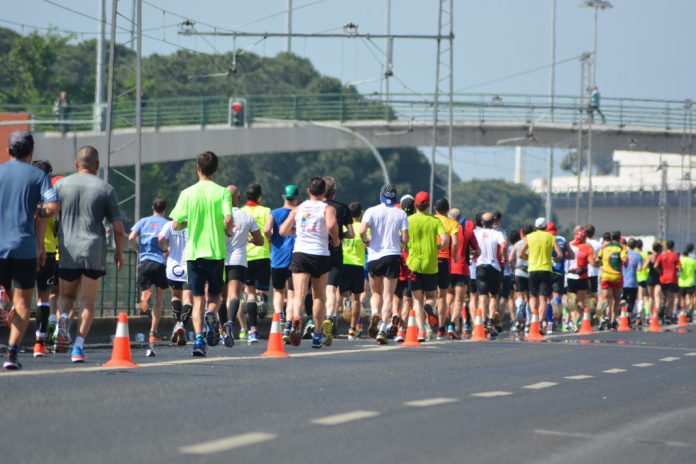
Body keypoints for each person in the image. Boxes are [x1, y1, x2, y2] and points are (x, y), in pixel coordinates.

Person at [54, 146, 125, 363]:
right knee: (88, 302)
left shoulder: (60, 185)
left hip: (67, 248)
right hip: (93, 249)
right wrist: (119, 253)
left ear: (77, 164)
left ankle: (63, 319)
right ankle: (78, 346)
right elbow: (119, 229)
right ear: (97, 165)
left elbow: (49, 214)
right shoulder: (106, 189)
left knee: (66, 296)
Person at [0, 131, 59, 369]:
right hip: (24, 246)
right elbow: (52, 206)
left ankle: (1, 297)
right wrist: (38, 213)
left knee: (4, 290)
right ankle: (11, 354)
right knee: (23, 302)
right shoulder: (39, 176)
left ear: (8, 150)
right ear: (31, 152)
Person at [170, 151, 234, 357]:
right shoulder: (223, 192)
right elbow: (228, 219)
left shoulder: (187, 193)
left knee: (197, 298)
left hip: (194, 253)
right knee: (214, 295)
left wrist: (189, 222)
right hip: (216, 252)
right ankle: (211, 314)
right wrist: (227, 230)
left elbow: (175, 224)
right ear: (215, 170)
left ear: (198, 168)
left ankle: (198, 340)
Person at [280, 177, 340, 349]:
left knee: (298, 294)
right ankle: (317, 334)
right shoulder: (327, 208)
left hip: (300, 253)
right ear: (324, 193)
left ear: (308, 191)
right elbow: (331, 225)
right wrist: (335, 240)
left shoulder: (299, 208)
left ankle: (296, 318)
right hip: (320, 254)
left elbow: (283, 230)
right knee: (319, 296)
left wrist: (297, 229)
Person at [361, 184, 409, 344]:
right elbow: (406, 239)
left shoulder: (371, 211)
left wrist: (366, 241)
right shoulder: (401, 213)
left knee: (376, 293)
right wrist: (400, 241)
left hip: (374, 256)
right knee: (388, 295)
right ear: (395, 197)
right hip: (393, 256)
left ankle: (375, 313)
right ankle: (382, 329)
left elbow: (362, 231)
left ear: (381, 195)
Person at [224, 185, 264, 345]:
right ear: (238, 199)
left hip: (219, 259)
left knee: (219, 297)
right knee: (234, 295)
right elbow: (260, 241)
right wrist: (249, 239)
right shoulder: (247, 217)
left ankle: (220, 331)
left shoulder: (217, 216)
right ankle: (230, 324)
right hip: (238, 260)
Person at [406, 192, 447, 342]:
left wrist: (406, 247)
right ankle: (429, 307)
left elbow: (402, 240)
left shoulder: (408, 220)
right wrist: (437, 246)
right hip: (430, 265)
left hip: (413, 264)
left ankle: (421, 331)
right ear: (429, 205)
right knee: (430, 297)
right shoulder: (434, 221)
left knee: (416, 300)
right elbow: (446, 240)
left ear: (415, 204)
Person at [30, 160, 60, 357]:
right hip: (48, 251)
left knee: (19, 297)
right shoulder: (50, 196)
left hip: (18, 249)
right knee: (44, 297)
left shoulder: (22, 191)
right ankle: (39, 343)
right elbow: (57, 225)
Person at [129, 196, 169, 345]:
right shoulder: (167, 224)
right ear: (164, 209)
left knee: (147, 289)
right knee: (159, 297)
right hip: (160, 263)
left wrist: (138, 250)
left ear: (153, 207)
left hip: (144, 261)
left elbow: (131, 237)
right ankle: (153, 332)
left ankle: (145, 297)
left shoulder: (143, 221)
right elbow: (168, 242)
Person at [264, 185, 300, 345]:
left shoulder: (274, 213)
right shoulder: (299, 212)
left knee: (278, 291)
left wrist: (272, 239)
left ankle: (280, 319)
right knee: (292, 293)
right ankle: (289, 326)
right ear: (297, 197)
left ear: (283, 197)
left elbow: (266, 230)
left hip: (277, 257)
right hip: (296, 258)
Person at [519, 217, 562, 334]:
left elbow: (520, 253)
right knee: (543, 298)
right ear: (546, 226)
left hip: (532, 270)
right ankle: (540, 323)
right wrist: (554, 259)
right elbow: (560, 254)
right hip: (546, 270)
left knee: (533, 296)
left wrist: (529, 258)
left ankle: (534, 318)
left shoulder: (529, 237)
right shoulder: (550, 237)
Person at [323, 176, 354, 340]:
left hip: (317, 251)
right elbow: (351, 233)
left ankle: (312, 320)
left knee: (315, 290)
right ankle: (329, 317)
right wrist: (339, 236)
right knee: (331, 289)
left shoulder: (314, 208)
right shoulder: (342, 209)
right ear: (334, 192)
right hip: (335, 252)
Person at [241, 183, 271, 331]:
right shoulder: (266, 211)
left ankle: (252, 329)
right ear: (260, 196)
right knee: (263, 289)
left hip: (246, 257)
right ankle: (263, 301)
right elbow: (269, 232)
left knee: (249, 292)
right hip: (263, 254)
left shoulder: (240, 212)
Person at [158, 217, 192, 346]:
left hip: (173, 267)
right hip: (189, 266)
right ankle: (182, 325)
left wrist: (166, 250)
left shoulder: (170, 225)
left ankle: (177, 324)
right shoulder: (193, 224)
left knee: (175, 296)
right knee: (188, 299)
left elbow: (160, 239)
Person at [473, 212, 506, 334]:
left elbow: (471, 248)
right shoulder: (498, 233)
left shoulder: (476, 233)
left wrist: (473, 255)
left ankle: (481, 322)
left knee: (482, 297)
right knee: (493, 296)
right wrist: (503, 255)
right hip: (494, 267)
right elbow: (504, 244)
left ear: (482, 222)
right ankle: (491, 322)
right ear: (493, 222)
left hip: (480, 266)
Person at [448, 209, 479, 337]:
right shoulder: (467, 230)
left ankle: (441, 326)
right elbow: (477, 250)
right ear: (460, 217)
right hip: (462, 269)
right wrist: (472, 256)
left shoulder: (444, 229)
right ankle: (452, 324)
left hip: (447, 268)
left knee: (447, 298)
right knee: (459, 301)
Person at [433, 198, 459, 339]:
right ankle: (441, 328)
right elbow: (455, 242)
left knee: (428, 294)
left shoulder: (430, 220)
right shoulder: (453, 223)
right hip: (444, 260)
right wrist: (454, 255)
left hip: (429, 259)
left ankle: (425, 326)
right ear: (447, 210)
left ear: (435, 209)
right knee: (442, 296)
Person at [340, 202, 366, 340]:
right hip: (358, 265)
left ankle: (345, 305)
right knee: (357, 298)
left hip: (344, 263)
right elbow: (368, 243)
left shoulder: (345, 227)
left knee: (343, 293)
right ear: (360, 213)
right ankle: (352, 329)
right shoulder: (363, 227)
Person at [565, 229, 596, 330]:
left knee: (571, 302)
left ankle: (574, 322)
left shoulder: (569, 245)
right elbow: (593, 263)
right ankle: (583, 318)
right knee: (581, 302)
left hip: (570, 277)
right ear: (584, 238)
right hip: (582, 277)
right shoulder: (587, 248)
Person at [597, 230, 628, 330]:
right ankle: (613, 321)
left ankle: (602, 318)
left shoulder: (604, 247)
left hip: (605, 276)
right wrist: (625, 263)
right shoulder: (622, 247)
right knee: (616, 299)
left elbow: (599, 260)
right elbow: (625, 260)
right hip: (617, 277)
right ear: (619, 238)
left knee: (605, 299)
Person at [546, 222, 574, 333]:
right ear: (556, 230)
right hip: (559, 272)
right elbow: (572, 255)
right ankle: (557, 315)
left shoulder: (545, 239)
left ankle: (549, 323)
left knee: (546, 299)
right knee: (556, 297)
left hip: (546, 271)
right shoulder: (562, 240)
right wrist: (562, 256)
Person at [509, 225, 533, 332]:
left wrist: (515, 268)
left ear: (521, 233)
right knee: (529, 297)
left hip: (519, 271)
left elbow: (510, 258)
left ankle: (519, 315)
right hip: (530, 271)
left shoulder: (517, 243)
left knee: (519, 295)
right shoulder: (533, 243)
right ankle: (528, 323)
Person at [654, 240, 681, 323]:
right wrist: (675, 269)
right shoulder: (675, 256)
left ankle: (662, 309)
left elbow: (655, 266)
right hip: (672, 279)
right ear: (673, 247)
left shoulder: (662, 256)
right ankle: (668, 316)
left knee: (664, 297)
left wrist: (660, 272)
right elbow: (679, 268)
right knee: (670, 299)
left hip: (662, 279)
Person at [622, 238, 643, 323]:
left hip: (622, 281)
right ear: (635, 246)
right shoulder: (638, 255)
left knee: (622, 299)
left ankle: (621, 314)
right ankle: (628, 317)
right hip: (633, 282)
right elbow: (639, 268)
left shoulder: (623, 253)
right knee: (631, 300)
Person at [678, 243, 696, 316]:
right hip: (691, 281)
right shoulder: (693, 259)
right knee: (691, 297)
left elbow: (678, 269)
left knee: (682, 298)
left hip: (681, 282)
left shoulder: (680, 259)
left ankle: (683, 312)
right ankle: (691, 310)